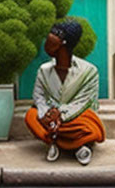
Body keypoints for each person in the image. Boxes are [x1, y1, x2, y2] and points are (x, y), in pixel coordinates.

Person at [24, 20, 105, 165]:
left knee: (91, 125)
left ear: (63, 43)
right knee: (31, 116)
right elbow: (38, 96)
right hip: (51, 117)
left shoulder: (89, 71)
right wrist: (46, 115)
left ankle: (55, 142)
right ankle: (78, 146)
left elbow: (83, 102)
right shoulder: (44, 70)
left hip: (76, 115)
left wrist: (60, 114)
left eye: (50, 40)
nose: (45, 44)